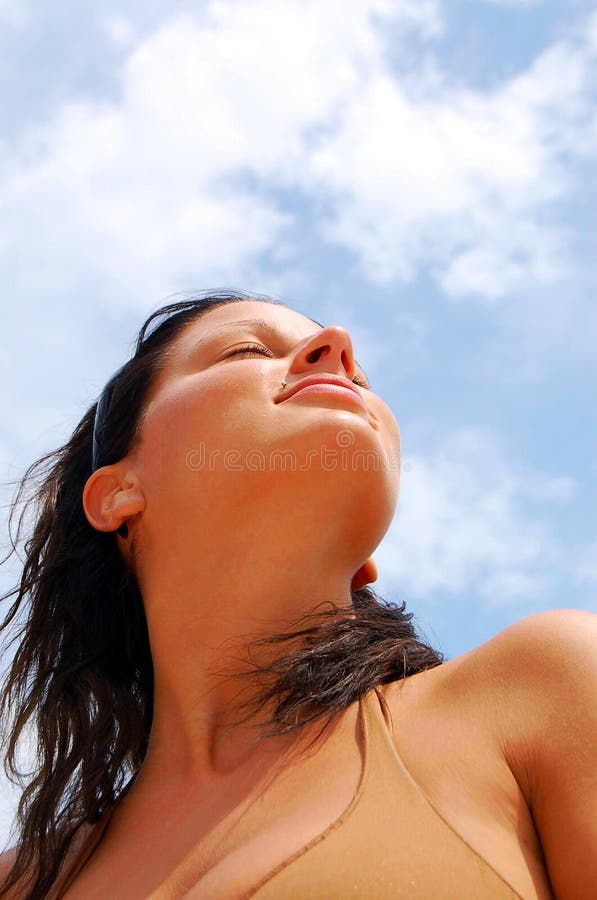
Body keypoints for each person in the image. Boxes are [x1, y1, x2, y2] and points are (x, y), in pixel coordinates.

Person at [0, 290, 594, 899]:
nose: (336, 345)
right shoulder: (22, 883)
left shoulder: (547, 686)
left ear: (366, 563)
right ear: (116, 493)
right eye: (247, 349)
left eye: (359, 376)